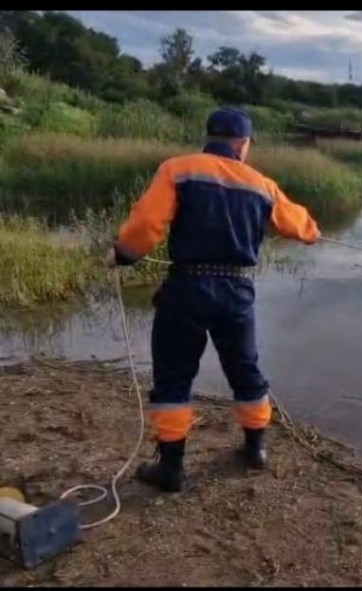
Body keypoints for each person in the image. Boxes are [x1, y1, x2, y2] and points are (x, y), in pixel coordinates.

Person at [105, 107, 321, 493]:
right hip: (236, 291)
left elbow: (145, 225)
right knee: (245, 369)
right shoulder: (262, 185)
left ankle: (171, 469)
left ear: (209, 137)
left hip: (186, 288)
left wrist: (123, 254)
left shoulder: (178, 169)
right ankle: (255, 450)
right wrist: (311, 230)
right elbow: (300, 226)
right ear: (243, 143)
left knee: (174, 375)